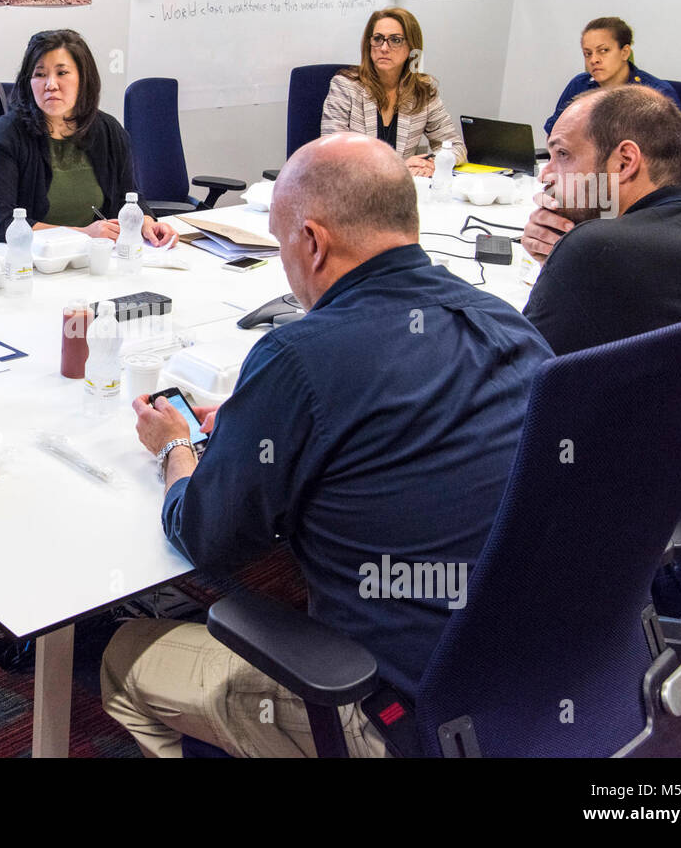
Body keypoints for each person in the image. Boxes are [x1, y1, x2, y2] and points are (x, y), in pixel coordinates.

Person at [102, 133, 552, 758]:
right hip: (550, 680)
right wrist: (258, 421)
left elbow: (207, 539)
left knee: (126, 658)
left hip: (399, 713)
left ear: (311, 242)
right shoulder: (509, 324)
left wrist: (175, 451)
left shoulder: (298, 357)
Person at [522, 85, 681, 591]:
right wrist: (570, 260)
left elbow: (508, 394)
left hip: (677, 562)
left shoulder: (600, 252)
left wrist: (574, 259)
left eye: (563, 156)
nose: (546, 175)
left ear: (624, 162)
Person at [0, 29, 179, 247]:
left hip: (87, 259)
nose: (50, 84)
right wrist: (82, 234)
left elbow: (129, 196)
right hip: (13, 260)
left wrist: (146, 222)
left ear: (83, 77)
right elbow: (2, 226)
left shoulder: (108, 131)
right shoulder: (7, 135)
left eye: (62, 73)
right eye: (39, 74)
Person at [319, 7, 467, 176]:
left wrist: (433, 164)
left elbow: (455, 146)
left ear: (412, 47)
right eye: (378, 39)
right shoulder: (345, 86)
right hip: (354, 190)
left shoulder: (422, 92)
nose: (383, 48)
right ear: (369, 44)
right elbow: (332, 154)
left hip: (402, 193)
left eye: (395, 40)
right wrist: (400, 168)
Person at [543, 17, 680, 137]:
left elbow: (665, 152)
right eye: (587, 54)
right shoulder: (579, 85)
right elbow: (554, 132)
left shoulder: (657, 94)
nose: (594, 60)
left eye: (603, 51)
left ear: (625, 52)